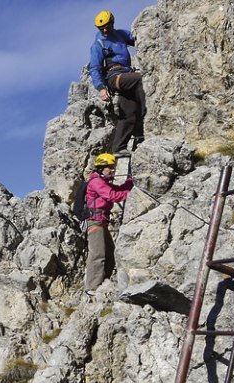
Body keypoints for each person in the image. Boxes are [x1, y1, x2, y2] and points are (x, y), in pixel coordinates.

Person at [89, 10, 143, 154]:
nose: (105, 30)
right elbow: (94, 68)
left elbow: (137, 39)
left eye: (107, 26)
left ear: (112, 22)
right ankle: (145, 118)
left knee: (128, 112)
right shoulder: (98, 45)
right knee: (142, 79)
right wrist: (101, 88)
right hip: (114, 77)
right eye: (102, 28)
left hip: (126, 75)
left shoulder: (120, 35)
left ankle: (119, 147)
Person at [83, 153, 133, 294]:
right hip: (95, 222)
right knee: (98, 254)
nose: (112, 170)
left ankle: (102, 282)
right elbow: (112, 195)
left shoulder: (103, 182)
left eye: (113, 167)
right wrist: (132, 194)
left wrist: (129, 182)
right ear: (100, 168)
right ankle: (92, 287)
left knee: (110, 254)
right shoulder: (96, 182)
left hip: (101, 222)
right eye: (109, 168)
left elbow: (116, 191)